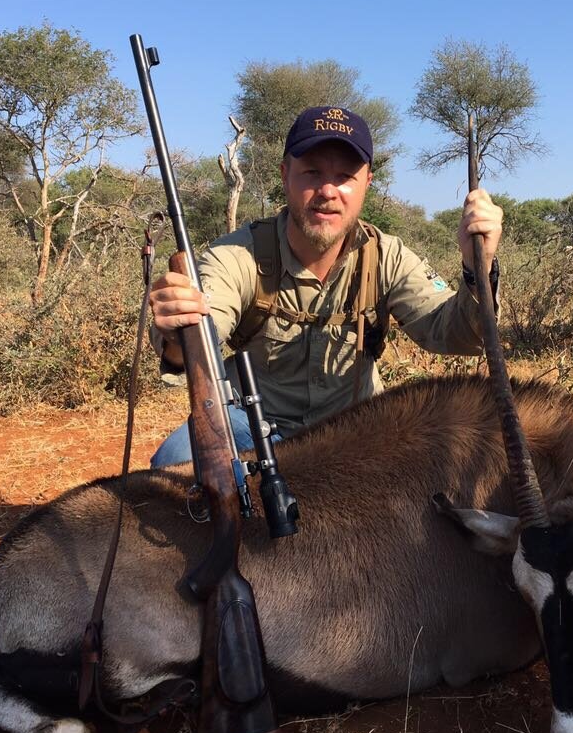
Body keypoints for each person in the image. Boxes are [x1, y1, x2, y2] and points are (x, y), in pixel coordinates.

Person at [147, 105, 504, 467]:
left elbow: (455, 333)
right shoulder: (236, 254)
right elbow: (206, 325)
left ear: (367, 183)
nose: (328, 191)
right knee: (176, 459)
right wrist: (181, 331)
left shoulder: (387, 255)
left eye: (345, 176)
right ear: (286, 176)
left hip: (353, 432)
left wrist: (479, 267)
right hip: (251, 428)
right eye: (312, 173)